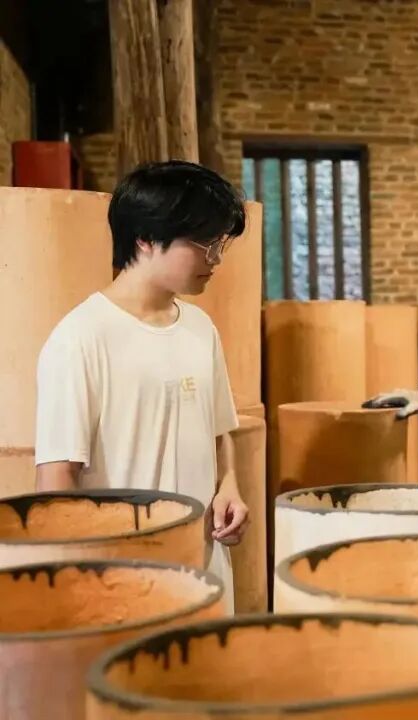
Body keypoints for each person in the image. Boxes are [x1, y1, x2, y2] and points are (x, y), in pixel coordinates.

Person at [35, 160, 250, 612]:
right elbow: (56, 483)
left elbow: (219, 431)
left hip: (205, 567)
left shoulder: (200, 328)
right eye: (204, 244)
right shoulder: (81, 338)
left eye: (220, 244)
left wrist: (228, 485)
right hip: (123, 580)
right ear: (146, 238)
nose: (215, 259)